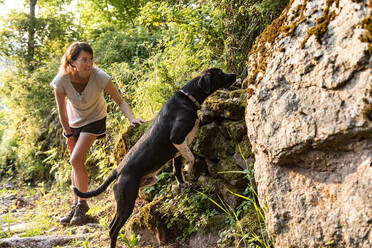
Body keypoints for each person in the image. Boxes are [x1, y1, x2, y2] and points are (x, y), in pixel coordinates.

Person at [51, 42, 145, 225]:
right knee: (75, 164)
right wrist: (68, 135)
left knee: (76, 159)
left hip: (95, 119)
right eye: (84, 60)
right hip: (72, 122)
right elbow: (62, 113)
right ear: (72, 61)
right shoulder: (61, 81)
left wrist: (131, 118)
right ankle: (76, 204)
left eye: (91, 59)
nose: (88, 63)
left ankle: (82, 204)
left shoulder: (100, 77)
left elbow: (120, 102)